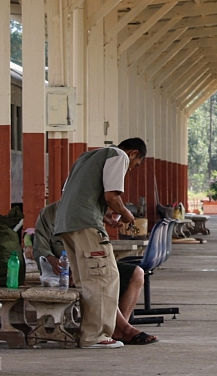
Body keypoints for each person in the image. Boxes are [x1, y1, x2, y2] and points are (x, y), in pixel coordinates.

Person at [53, 137, 152, 348]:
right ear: (133, 153)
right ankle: (96, 335)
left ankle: (103, 331)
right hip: (86, 224)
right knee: (104, 278)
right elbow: (111, 196)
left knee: (87, 279)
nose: (130, 169)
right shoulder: (118, 156)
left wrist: (104, 216)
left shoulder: (85, 157)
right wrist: (126, 215)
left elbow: (73, 194)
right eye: (134, 166)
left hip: (67, 223)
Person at [33, 201, 156, 345]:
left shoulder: (91, 211)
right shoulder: (49, 213)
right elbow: (40, 246)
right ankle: (126, 329)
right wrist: (52, 259)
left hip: (94, 263)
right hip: (64, 269)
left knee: (136, 273)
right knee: (100, 283)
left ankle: (117, 328)